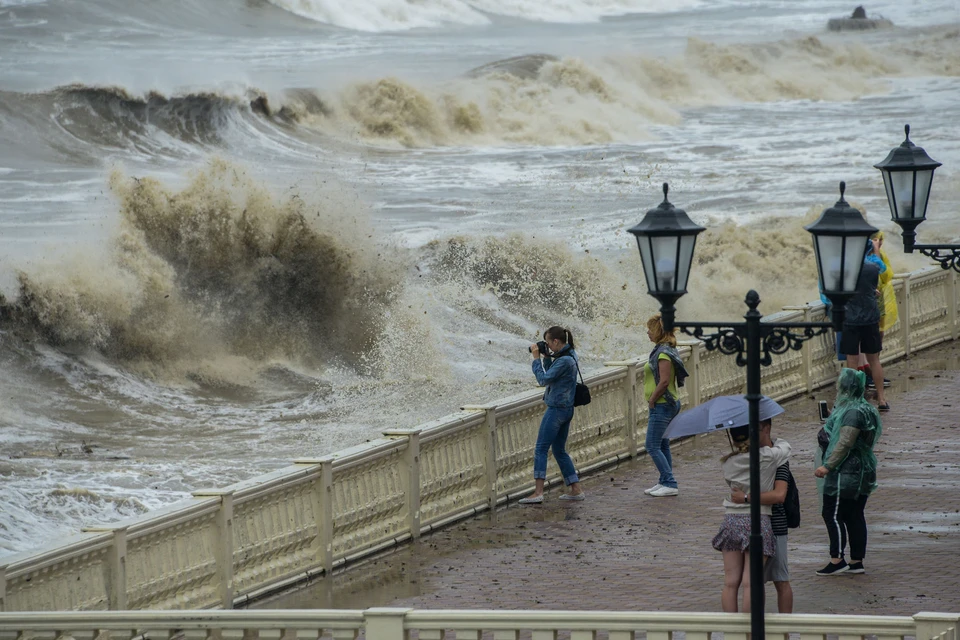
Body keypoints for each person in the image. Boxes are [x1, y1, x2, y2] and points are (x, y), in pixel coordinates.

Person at [712, 420, 791, 613]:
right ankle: (750, 631)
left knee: (730, 583)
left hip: (731, 520)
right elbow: (785, 448)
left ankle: (732, 632)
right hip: (757, 519)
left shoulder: (727, 462)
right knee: (750, 583)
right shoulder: (768, 457)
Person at [814, 368, 882, 575]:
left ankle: (837, 559)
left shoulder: (853, 412)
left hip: (846, 474)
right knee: (854, 514)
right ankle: (856, 561)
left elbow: (845, 442)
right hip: (862, 471)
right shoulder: (865, 408)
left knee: (832, 513)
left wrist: (828, 466)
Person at [519, 326, 585, 504]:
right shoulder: (570, 355)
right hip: (567, 409)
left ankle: (538, 492)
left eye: (548, 342)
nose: (546, 345)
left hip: (556, 409)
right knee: (559, 450)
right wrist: (547, 357)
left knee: (541, 448)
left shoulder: (564, 361)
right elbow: (552, 374)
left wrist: (535, 359)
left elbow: (543, 379)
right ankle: (576, 489)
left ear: (556, 341)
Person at [731, 461, 794, 613]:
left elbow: (779, 495)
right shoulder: (742, 459)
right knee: (755, 582)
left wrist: (746, 497)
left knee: (780, 580)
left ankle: (784, 630)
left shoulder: (778, 458)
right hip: (747, 525)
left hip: (774, 525)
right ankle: (755, 626)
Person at [839, 238, 889, 411]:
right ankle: (882, 399)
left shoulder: (845, 269)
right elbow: (882, 269)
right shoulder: (872, 267)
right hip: (870, 317)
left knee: (852, 362)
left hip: (851, 318)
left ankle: (855, 398)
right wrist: (876, 250)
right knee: (874, 360)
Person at [642, 313, 689, 497]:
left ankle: (670, 482)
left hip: (662, 405)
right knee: (662, 444)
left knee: (652, 445)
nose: (647, 333)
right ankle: (664, 480)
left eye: (650, 329)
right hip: (667, 404)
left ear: (658, 331)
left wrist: (652, 399)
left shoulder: (663, 353)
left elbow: (664, 381)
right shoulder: (665, 349)